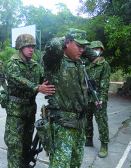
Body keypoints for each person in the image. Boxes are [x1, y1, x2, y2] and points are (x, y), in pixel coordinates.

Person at [43, 28, 95, 168]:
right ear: (67, 43)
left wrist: (80, 44)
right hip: (63, 126)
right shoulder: (55, 62)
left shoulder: (79, 63)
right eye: (79, 46)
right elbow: (52, 45)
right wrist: (64, 38)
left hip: (79, 124)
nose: (82, 50)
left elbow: (94, 55)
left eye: (84, 47)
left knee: (75, 164)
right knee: (60, 165)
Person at [4, 33, 55, 167]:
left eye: (32, 46)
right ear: (20, 48)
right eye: (28, 46)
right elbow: (18, 80)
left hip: (30, 109)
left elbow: (43, 78)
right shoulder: (12, 63)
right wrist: (37, 87)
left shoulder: (34, 65)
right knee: (15, 145)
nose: (31, 49)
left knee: (27, 143)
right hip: (16, 111)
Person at [84, 41, 111, 158]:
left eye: (98, 49)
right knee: (87, 120)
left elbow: (105, 84)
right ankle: (88, 139)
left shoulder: (104, 65)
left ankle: (104, 144)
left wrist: (101, 99)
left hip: (98, 98)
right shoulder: (86, 64)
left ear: (101, 51)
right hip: (86, 97)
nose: (95, 50)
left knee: (102, 122)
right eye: (93, 48)